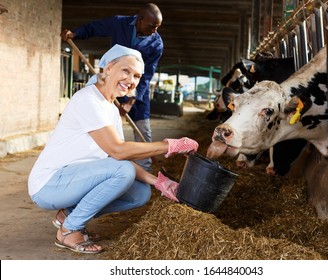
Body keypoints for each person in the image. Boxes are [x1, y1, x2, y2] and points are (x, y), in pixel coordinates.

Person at [28, 45, 199, 254]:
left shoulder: (110, 108)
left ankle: (69, 215)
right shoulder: (88, 99)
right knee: (124, 171)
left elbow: (116, 157)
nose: (131, 80)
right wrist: (169, 145)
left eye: (136, 76)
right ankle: (69, 231)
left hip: (74, 179)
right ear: (108, 68)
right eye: (126, 71)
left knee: (140, 194)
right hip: (49, 184)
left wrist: (160, 183)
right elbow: (119, 152)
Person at [60, 2, 163, 172]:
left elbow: (146, 75)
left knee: (143, 131)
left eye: (158, 27)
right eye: (153, 26)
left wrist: (131, 101)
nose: (155, 31)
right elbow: (95, 28)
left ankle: (146, 175)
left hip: (136, 90)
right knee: (103, 127)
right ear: (140, 19)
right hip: (112, 83)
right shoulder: (119, 23)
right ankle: (103, 169)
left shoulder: (157, 44)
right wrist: (75, 33)